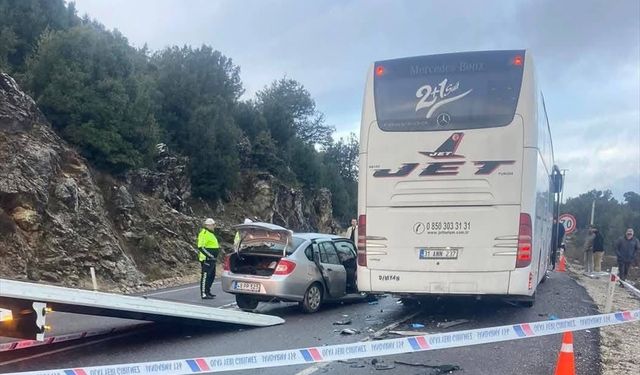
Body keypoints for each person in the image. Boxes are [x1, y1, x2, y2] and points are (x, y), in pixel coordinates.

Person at [197, 218, 220, 299]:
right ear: (208, 225)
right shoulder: (204, 233)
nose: (214, 226)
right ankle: (204, 293)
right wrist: (209, 256)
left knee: (212, 275)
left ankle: (208, 291)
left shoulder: (211, 233)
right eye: (213, 225)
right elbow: (200, 247)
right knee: (206, 275)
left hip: (212, 259)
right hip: (206, 259)